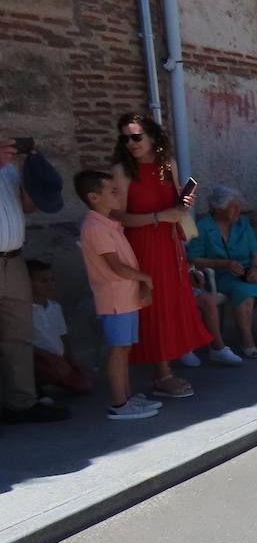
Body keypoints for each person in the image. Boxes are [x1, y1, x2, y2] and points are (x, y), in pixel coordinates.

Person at [110, 112, 211, 397]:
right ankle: (161, 374)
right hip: (141, 245)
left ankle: (168, 366)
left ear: (153, 136)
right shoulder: (122, 170)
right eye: (125, 138)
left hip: (169, 244)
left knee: (171, 304)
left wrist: (183, 202)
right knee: (153, 306)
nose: (131, 142)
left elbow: (174, 206)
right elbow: (118, 217)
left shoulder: (168, 165)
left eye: (136, 136)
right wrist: (159, 216)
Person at [75, 169, 162, 420]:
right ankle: (119, 403)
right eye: (111, 191)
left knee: (124, 349)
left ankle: (125, 396)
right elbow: (115, 266)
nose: (118, 194)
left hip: (125, 297)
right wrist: (145, 277)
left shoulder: (109, 223)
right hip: (114, 299)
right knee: (118, 348)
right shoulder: (95, 227)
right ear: (94, 197)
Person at [1, 136, 71, 422]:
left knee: (17, 335)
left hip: (13, 259)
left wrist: (33, 167)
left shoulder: (8, 170)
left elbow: (29, 207)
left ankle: (22, 403)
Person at [187, 185, 257, 357]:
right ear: (218, 209)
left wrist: (255, 269)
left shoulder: (242, 223)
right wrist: (224, 264)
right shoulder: (203, 226)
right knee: (243, 293)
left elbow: (256, 253)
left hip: (248, 273)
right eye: (233, 206)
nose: (238, 210)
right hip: (220, 275)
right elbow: (194, 259)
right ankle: (247, 341)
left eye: (238, 205)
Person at [27, 259, 93, 395]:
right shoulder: (24, 311)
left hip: (57, 359)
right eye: (43, 281)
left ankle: (53, 379)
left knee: (85, 385)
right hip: (36, 359)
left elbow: (63, 335)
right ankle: (34, 389)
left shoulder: (54, 307)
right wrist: (48, 357)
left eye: (52, 280)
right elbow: (22, 343)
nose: (50, 284)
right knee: (53, 370)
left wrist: (70, 359)